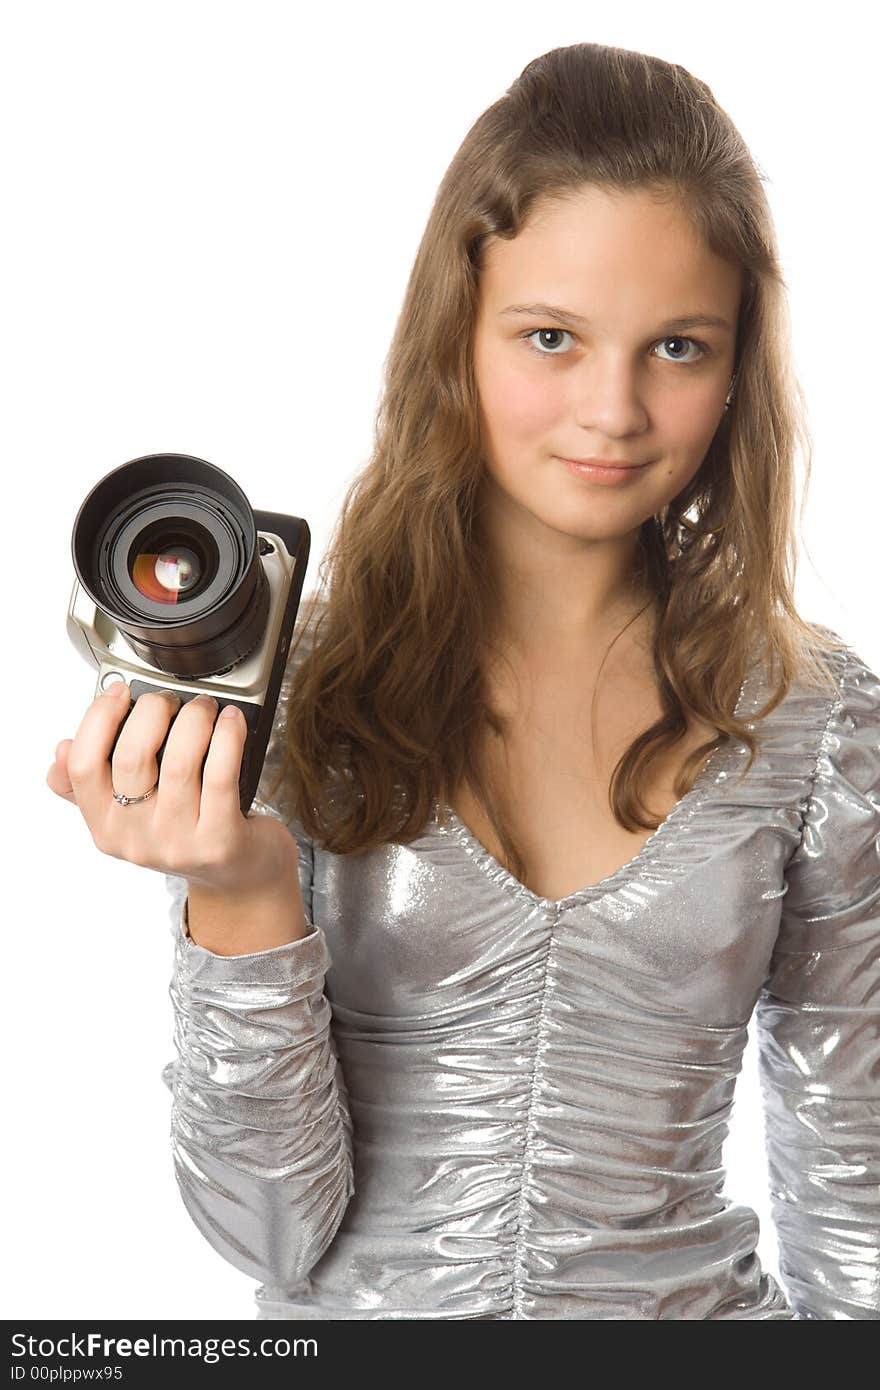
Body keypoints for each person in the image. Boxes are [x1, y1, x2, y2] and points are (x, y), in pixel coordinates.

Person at [49, 42, 879, 1320]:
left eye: (676, 346)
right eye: (551, 336)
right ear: (457, 332)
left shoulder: (811, 719)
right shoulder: (297, 687)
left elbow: (855, 1196)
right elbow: (269, 1236)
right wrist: (238, 892)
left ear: (736, 369)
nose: (611, 408)